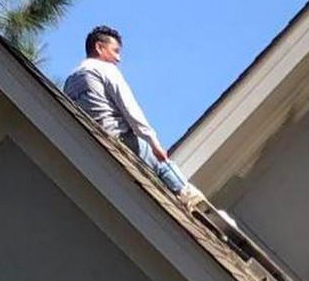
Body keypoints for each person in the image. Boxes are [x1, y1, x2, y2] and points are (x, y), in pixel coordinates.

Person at [63, 26, 204, 209]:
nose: (118, 58)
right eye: (115, 51)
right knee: (160, 163)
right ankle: (188, 195)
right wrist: (154, 143)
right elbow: (130, 110)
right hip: (121, 139)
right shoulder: (104, 69)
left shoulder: (70, 81)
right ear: (99, 47)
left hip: (95, 144)